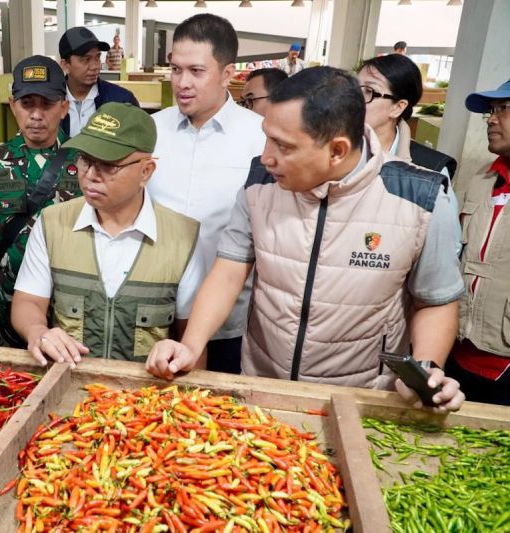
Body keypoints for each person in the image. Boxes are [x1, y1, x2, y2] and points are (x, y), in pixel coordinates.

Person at [147, 67, 466, 413]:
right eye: (267, 136)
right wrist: (192, 345)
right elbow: (229, 270)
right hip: (264, 391)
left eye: (283, 146)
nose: (266, 156)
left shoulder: (421, 199)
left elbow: (435, 300)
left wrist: (426, 370)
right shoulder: (260, 183)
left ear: (337, 150)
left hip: (360, 399)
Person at [11, 102, 203, 367]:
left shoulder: (182, 237)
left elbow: (191, 337)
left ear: (145, 171)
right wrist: (38, 332)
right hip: (68, 389)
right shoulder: (54, 223)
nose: (90, 176)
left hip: (145, 399)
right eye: (85, 161)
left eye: (108, 166)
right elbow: (28, 301)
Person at [148, 13, 265, 375]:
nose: (182, 83)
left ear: (228, 73)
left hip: (229, 322)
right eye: (175, 69)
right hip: (153, 315)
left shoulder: (260, 137)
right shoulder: (151, 130)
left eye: (196, 71)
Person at [0, 55, 80, 348]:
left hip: (68, 309)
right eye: (27, 103)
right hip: (6, 302)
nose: (36, 114)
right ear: (12, 105)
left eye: (47, 104)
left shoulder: (83, 162)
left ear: (64, 107)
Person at [447, 80, 510, 405]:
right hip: (458, 358)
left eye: (504, 109)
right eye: (491, 110)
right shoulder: (482, 180)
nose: (491, 119)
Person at [357, 54, 457, 178]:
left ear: (398, 107)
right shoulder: (332, 151)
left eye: (369, 91)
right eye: (354, 88)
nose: (354, 98)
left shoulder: (431, 171)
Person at [59, 26, 139, 137]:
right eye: (86, 59)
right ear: (65, 65)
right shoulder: (50, 103)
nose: (95, 66)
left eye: (97, 58)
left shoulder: (122, 101)